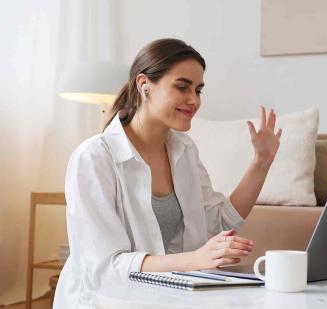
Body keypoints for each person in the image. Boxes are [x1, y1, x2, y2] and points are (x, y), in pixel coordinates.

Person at [53, 38, 282, 308]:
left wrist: (262, 161)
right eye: (182, 87)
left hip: (166, 296)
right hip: (105, 300)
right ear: (144, 85)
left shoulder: (184, 150)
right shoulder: (93, 158)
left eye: (198, 90)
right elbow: (106, 268)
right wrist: (195, 259)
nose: (194, 100)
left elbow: (218, 223)